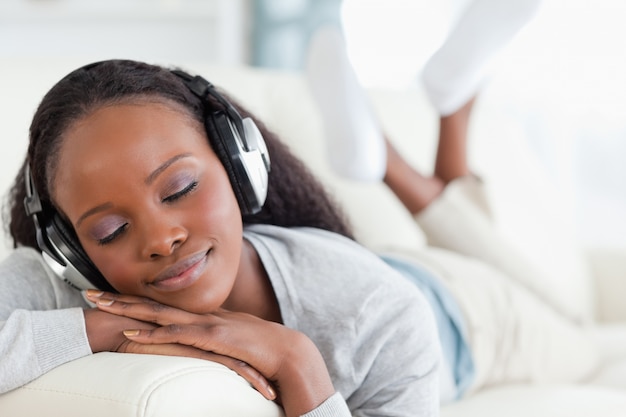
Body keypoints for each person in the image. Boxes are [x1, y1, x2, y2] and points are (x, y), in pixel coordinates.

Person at [0, 59, 440, 416]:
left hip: (450, 307)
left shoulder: (383, 312)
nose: (162, 238)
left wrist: (298, 364)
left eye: (179, 189)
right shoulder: (57, 286)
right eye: (109, 230)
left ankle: (416, 146)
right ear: (68, 250)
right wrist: (109, 329)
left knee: (502, 281)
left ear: (239, 168)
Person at [305, 18, 600, 403]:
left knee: (577, 331)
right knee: (582, 335)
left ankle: (428, 128)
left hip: (433, 294)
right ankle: (430, 128)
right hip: (432, 289)